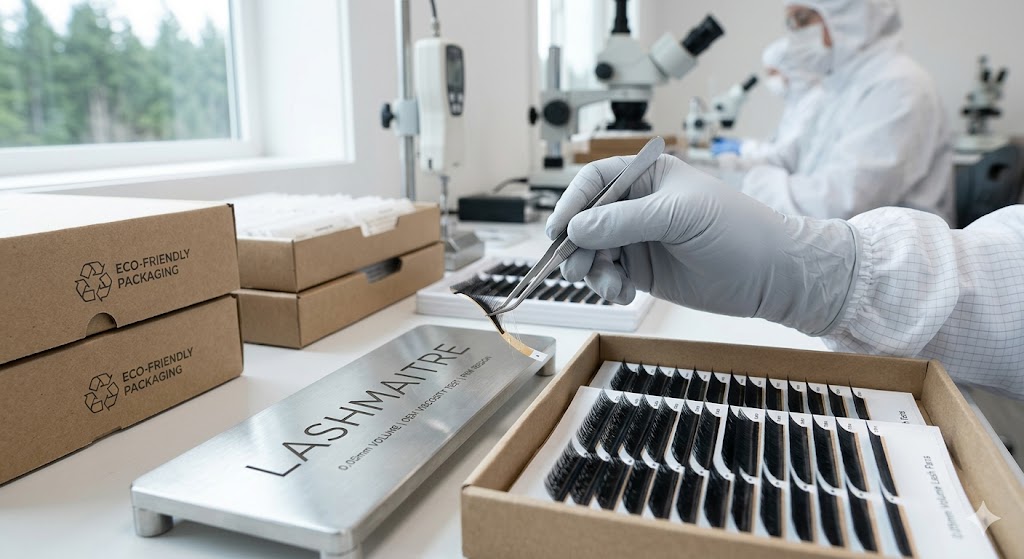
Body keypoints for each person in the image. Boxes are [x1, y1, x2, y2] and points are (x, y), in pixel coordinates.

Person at [548, 154, 1024, 399]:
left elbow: (840, 192)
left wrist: (819, 275)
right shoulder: (829, 86)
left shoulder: (896, 87)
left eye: (804, 17)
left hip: (927, 336)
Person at [740, 0, 956, 224]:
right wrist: (727, 170)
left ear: (852, 17)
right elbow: (789, 158)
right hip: (845, 245)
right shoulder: (835, 90)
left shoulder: (899, 85)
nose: (793, 34)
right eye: (790, 22)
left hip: (894, 253)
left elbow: (838, 204)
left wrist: (746, 184)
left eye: (802, 19)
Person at [712, 36, 825, 163]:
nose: (770, 81)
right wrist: (745, 145)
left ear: (791, 69)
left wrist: (743, 148)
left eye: (773, 73)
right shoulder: (796, 104)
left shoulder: (814, 101)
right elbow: (777, 145)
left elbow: (785, 156)